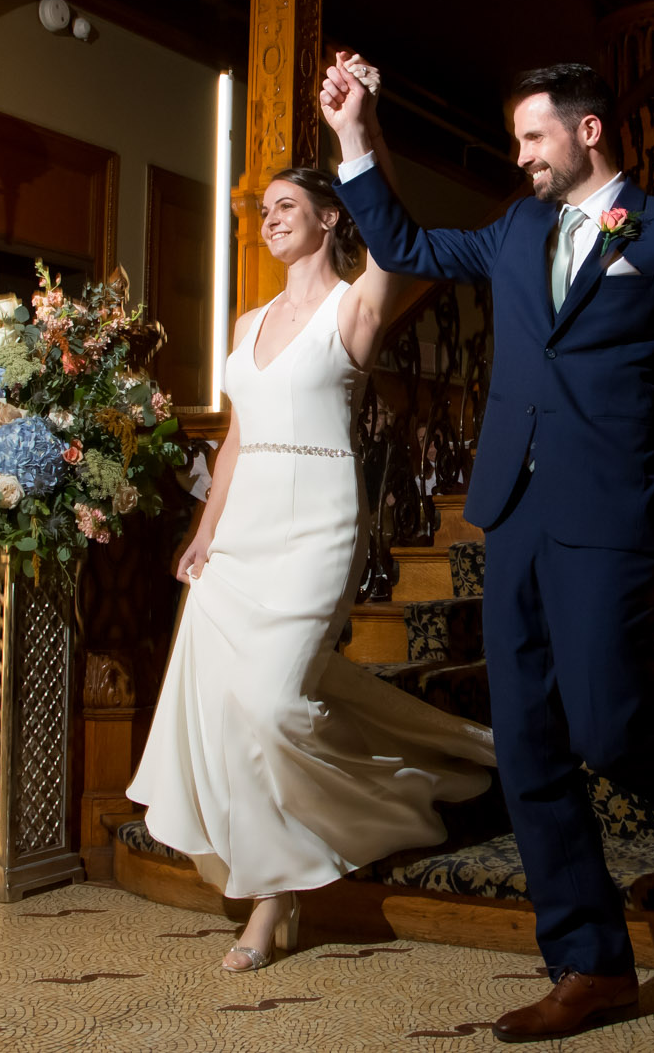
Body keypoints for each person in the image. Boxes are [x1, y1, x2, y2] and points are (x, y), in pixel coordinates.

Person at [321, 56, 654, 1043]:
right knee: (531, 745)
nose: (520, 157)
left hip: (611, 515)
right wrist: (352, 134)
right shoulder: (514, 229)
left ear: (588, 132)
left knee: (608, 725)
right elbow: (404, 239)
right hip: (510, 511)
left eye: (532, 137)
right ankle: (590, 963)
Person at [127, 158, 495, 973]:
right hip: (238, 535)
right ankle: (275, 898)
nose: (269, 219)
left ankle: (401, 794)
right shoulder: (244, 321)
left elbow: (394, 235)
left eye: (286, 205)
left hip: (316, 525)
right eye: (263, 209)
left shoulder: (355, 304)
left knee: (269, 705)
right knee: (229, 711)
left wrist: (361, 141)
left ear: (331, 218)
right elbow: (232, 441)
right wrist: (202, 531)